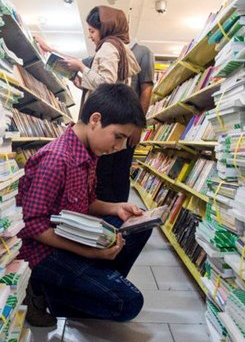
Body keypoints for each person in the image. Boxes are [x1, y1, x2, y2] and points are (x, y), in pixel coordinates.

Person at [17, 83, 152, 327]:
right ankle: (43, 291)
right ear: (95, 120)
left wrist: (115, 208)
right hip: (45, 252)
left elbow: (85, 202)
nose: (119, 147)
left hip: (71, 233)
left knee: (139, 226)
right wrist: (89, 252)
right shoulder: (56, 159)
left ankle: (91, 280)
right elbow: (32, 225)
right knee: (128, 303)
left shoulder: (89, 152)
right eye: (118, 136)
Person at [34, 5, 141, 107]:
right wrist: (83, 83)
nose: (89, 36)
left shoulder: (109, 47)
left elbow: (106, 85)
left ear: (104, 29)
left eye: (92, 31)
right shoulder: (117, 47)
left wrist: (81, 67)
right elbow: (106, 85)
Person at [93, 40, 155, 202]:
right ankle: (105, 213)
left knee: (120, 173)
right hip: (106, 127)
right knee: (101, 174)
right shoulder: (107, 50)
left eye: (93, 31)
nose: (91, 36)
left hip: (127, 128)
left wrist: (138, 126)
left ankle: (119, 212)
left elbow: (146, 89)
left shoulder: (142, 52)